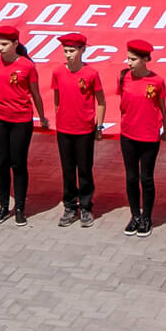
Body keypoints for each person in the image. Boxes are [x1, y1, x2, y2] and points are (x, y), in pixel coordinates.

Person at [0, 24, 48, 224]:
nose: (1, 48)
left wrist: (42, 117)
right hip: (0, 119)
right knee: (1, 163)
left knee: (18, 163)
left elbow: (35, 94)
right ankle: (3, 205)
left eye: (4, 44)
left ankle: (20, 207)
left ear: (15, 44)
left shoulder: (27, 66)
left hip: (21, 119)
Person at [116, 38, 166, 236]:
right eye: (128, 58)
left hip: (149, 136)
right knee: (131, 177)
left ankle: (147, 217)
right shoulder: (124, 77)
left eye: (133, 59)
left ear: (145, 59)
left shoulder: (156, 81)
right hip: (128, 134)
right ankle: (134, 216)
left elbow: (162, 106)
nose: (129, 63)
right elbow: (123, 104)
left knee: (146, 178)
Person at [50, 33, 102, 228]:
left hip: (84, 130)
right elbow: (57, 98)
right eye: (66, 51)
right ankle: (70, 206)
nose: (68, 54)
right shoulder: (57, 72)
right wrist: (60, 117)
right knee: (68, 169)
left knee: (85, 169)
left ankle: (86, 206)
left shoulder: (91, 74)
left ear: (82, 51)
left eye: (72, 51)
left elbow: (101, 101)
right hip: (64, 129)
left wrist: (98, 126)